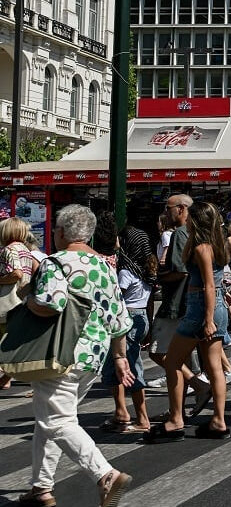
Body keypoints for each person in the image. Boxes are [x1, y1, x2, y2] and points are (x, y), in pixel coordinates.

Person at [20, 204, 134, 507]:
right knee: (53, 419)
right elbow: (119, 318)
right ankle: (40, 488)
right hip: (94, 355)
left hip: (61, 353)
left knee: (57, 422)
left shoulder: (55, 263)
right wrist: (121, 358)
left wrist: (29, 300)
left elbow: (50, 303)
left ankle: (105, 475)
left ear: (60, 233)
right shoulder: (104, 266)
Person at [142, 202, 231, 443]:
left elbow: (208, 284)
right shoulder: (218, 244)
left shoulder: (202, 247)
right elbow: (217, 282)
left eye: (191, 217)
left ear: (197, 220)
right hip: (214, 305)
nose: (187, 220)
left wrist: (208, 319)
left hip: (200, 307)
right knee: (214, 367)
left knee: (172, 360)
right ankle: (219, 421)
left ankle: (176, 420)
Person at [146, 195, 210, 404]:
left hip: (176, 302)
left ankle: (196, 385)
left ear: (182, 209)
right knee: (180, 356)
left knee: (159, 351)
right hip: (190, 303)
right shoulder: (199, 233)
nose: (166, 213)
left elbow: (181, 271)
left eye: (168, 208)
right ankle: (179, 409)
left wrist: (159, 277)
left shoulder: (181, 234)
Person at [97, 216, 151, 435]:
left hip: (125, 318)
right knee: (118, 366)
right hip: (140, 317)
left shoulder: (125, 271)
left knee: (129, 367)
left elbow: (117, 297)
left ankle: (142, 418)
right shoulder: (144, 268)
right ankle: (121, 412)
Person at [0, 218, 39, 392]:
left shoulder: (8, 250)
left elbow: (15, 273)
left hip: (7, 302)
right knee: (15, 339)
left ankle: (5, 375)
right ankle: (7, 377)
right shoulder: (25, 250)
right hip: (21, 300)